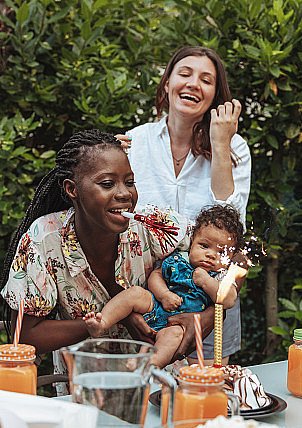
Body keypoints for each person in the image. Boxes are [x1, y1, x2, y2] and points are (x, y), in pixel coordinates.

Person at [0, 129, 214, 372]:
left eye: (130, 182)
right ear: (72, 189)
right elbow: (28, 334)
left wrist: (210, 316)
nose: (124, 194)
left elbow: (229, 258)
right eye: (107, 184)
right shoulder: (44, 239)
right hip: (86, 386)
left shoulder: (153, 224)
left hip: (157, 380)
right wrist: (108, 318)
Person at [121, 45, 251, 366]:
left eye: (206, 80)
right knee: (148, 401)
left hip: (214, 300)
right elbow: (116, 229)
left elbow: (233, 230)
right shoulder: (135, 143)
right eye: (185, 74)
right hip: (151, 300)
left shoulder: (234, 147)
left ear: (214, 96)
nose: (194, 83)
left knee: (207, 402)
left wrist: (220, 146)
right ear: (167, 84)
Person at [83, 204, 244, 366]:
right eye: (204, 246)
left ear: (232, 256)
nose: (210, 254)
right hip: (157, 305)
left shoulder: (222, 275)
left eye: (222, 252)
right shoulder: (179, 257)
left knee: (172, 337)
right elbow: (156, 276)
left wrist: (206, 281)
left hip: (179, 323)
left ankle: (146, 366)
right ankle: (102, 323)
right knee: (135, 293)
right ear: (192, 239)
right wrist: (164, 294)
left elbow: (228, 300)